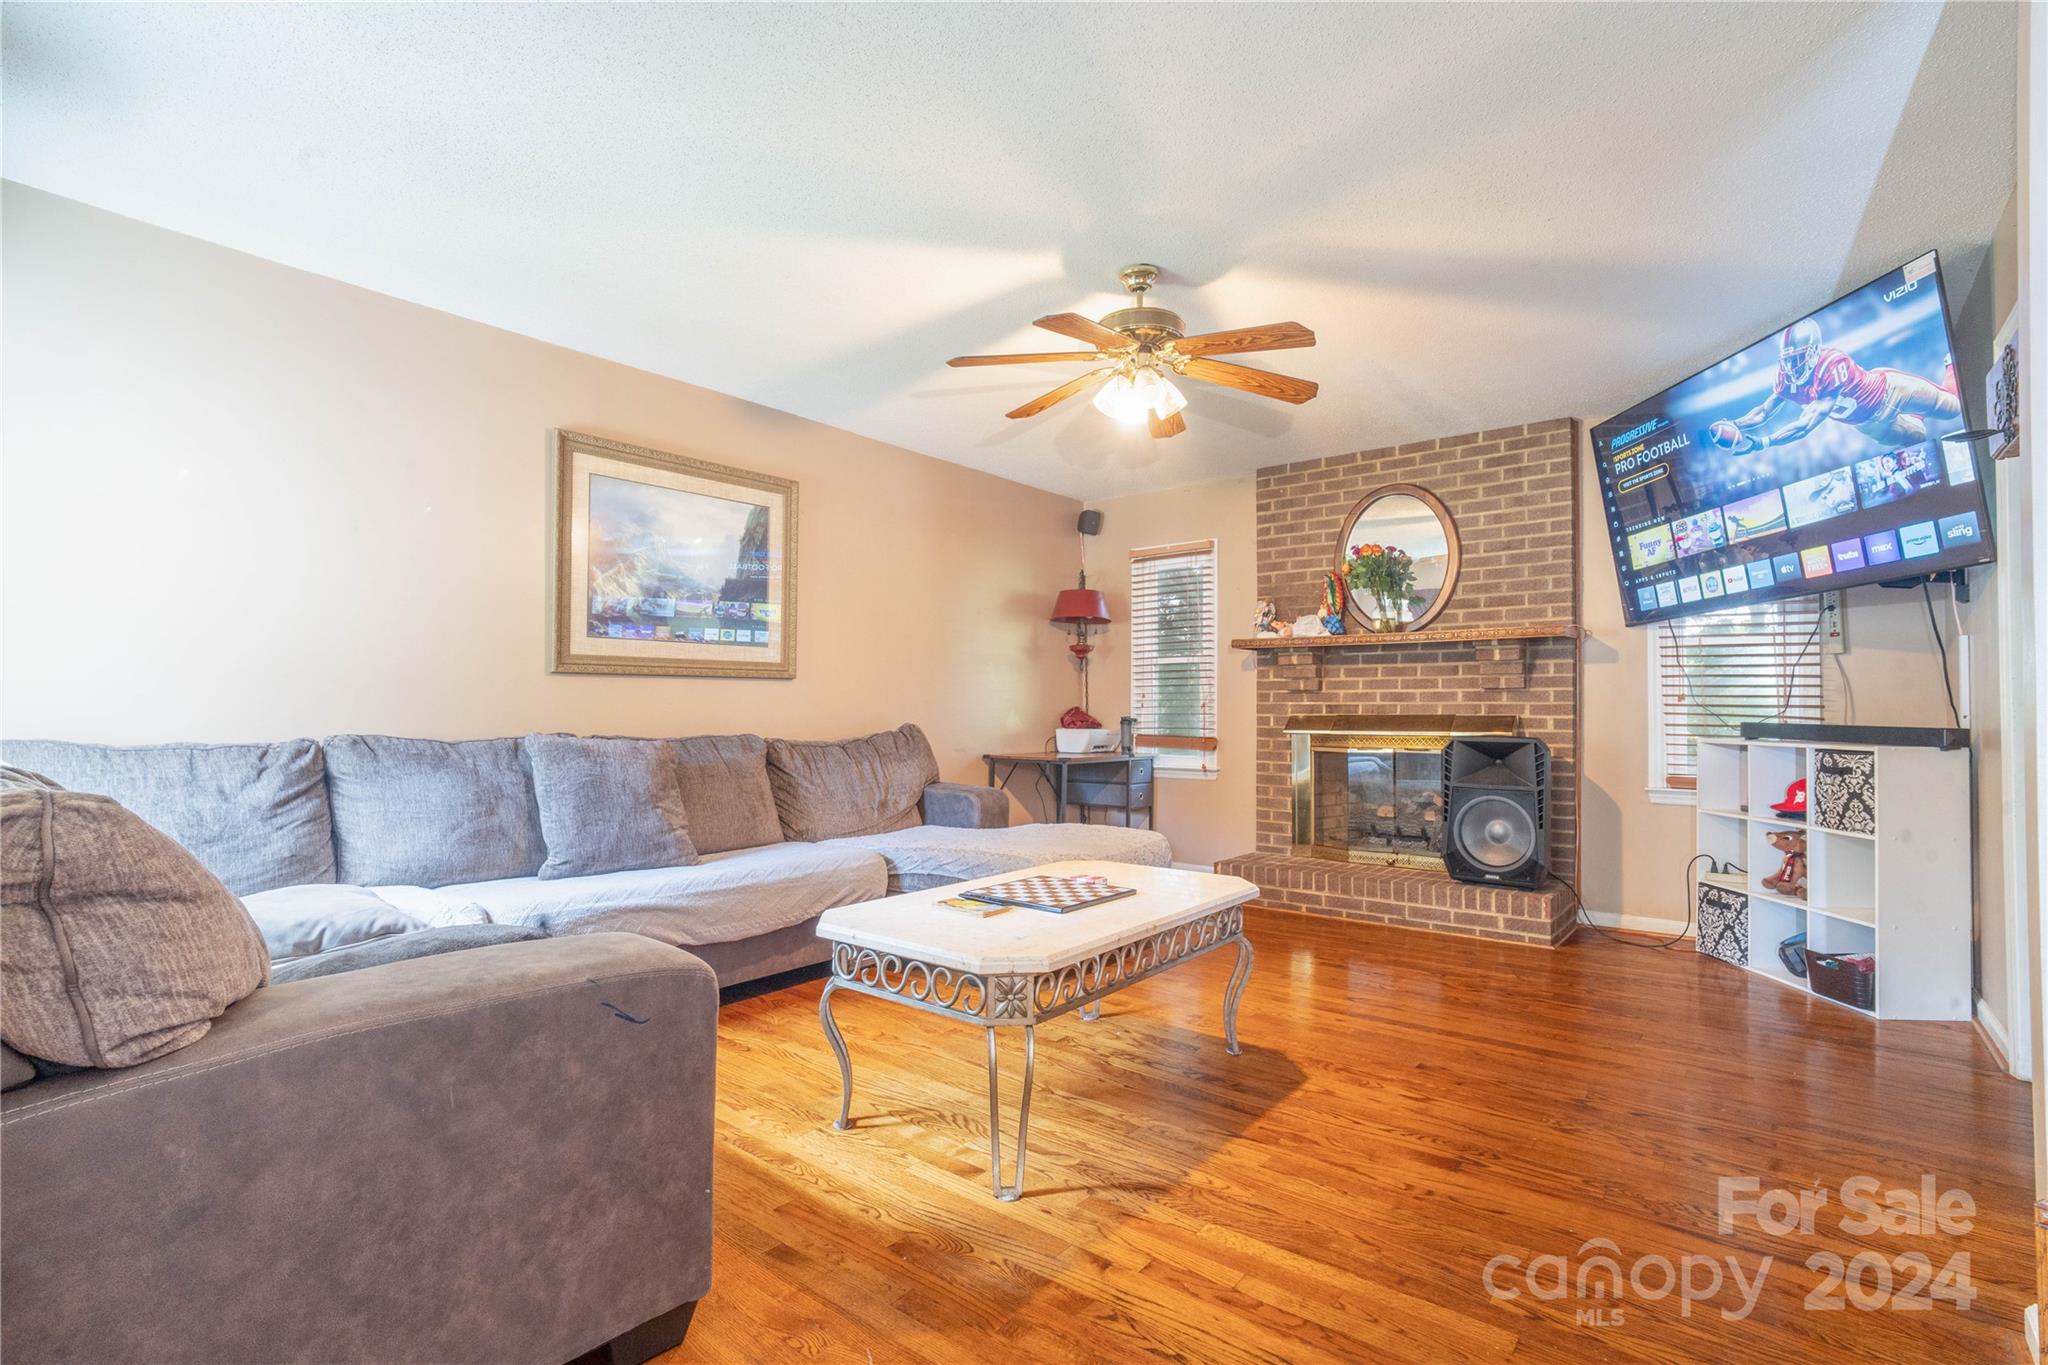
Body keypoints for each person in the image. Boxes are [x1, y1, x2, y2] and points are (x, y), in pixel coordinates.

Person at [1710, 319, 1960, 454]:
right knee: (1917, 438)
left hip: (1890, 393)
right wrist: (1736, 424)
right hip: (1865, 422)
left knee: (1952, 409)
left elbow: (1806, 425)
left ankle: (1951, 364)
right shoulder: (1785, 377)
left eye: (1797, 358)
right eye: (1788, 360)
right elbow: (1763, 411)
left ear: (1815, 351)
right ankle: (1915, 417)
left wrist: (1764, 443)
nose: (1792, 366)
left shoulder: (1831, 364)